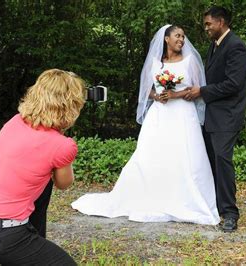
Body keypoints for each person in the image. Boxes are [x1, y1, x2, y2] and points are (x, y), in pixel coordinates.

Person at [71, 25, 220, 225]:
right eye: (177, 36)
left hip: (183, 115)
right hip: (159, 114)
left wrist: (174, 94)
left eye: (183, 37)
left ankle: (185, 199)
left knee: (185, 154)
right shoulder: (154, 62)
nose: (182, 40)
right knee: (152, 154)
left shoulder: (190, 60)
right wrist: (157, 95)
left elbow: (196, 90)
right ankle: (150, 196)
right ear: (166, 39)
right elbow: (147, 90)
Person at [0, 69, 85, 265]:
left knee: (43, 186)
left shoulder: (15, 122)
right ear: (72, 106)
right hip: (2, 236)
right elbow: (64, 183)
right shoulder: (62, 145)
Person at [184, 6, 246, 232]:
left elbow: (234, 84)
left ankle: (230, 213)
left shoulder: (236, 46)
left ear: (221, 22)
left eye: (208, 23)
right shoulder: (215, 45)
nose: (206, 28)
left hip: (228, 116)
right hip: (212, 115)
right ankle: (214, 206)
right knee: (210, 160)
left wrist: (202, 91)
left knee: (222, 160)